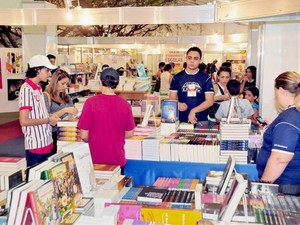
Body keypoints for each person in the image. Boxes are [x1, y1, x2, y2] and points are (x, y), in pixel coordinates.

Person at [78, 68, 135, 174]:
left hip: (95, 158)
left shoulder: (90, 103)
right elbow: (129, 133)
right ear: (117, 84)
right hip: (117, 157)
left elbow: (83, 135)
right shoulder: (125, 105)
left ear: (100, 82)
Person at [256, 71, 300, 195]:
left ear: (280, 90)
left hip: (285, 185)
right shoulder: (294, 114)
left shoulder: (288, 120)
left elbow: (280, 159)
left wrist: (263, 187)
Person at [19, 55, 60, 167]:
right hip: (36, 146)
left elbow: (37, 113)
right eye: (47, 70)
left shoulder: (37, 88)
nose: (50, 74)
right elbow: (24, 121)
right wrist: (48, 120)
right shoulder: (27, 89)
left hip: (46, 140)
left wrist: (49, 116)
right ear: (37, 70)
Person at [169, 47, 214, 124]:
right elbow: (172, 98)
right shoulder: (177, 78)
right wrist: (177, 104)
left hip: (201, 120)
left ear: (200, 60)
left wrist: (194, 111)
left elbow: (210, 101)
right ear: (186, 59)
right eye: (189, 58)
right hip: (181, 120)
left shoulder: (206, 78)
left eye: (195, 58)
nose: (192, 61)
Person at [43, 69, 78, 154]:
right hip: (52, 135)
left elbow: (71, 117)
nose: (65, 86)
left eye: (67, 84)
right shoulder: (46, 96)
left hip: (66, 133)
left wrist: (73, 113)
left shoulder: (67, 98)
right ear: (55, 82)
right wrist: (64, 110)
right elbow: (46, 118)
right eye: (63, 83)